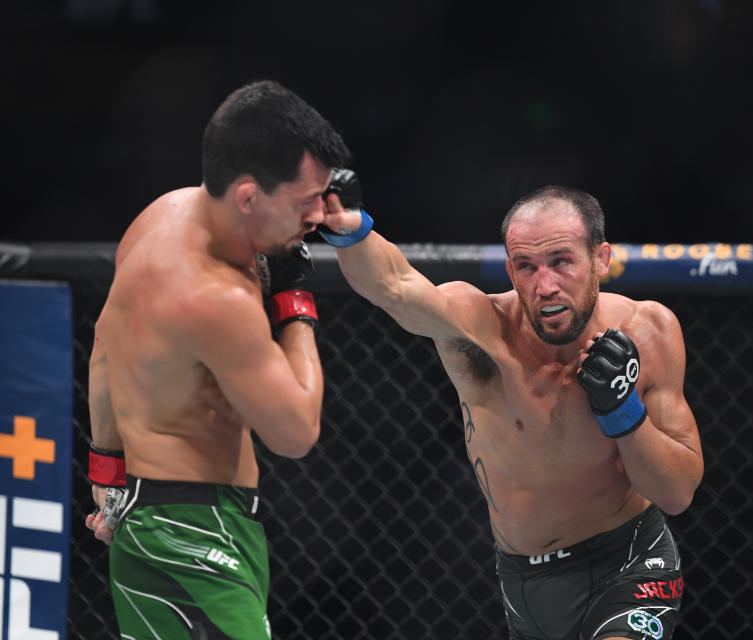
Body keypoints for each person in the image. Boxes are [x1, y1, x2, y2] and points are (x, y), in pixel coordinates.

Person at [319, 177, 703, 640]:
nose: (545, 286)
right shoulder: (483, 329)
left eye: (561, 262)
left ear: (601, 259)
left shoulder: (649, 329)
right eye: (526, 266)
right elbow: (397, 286)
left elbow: (677, 492)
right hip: (523, 580)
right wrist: (350, 230)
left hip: (630, 560)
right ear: (510, 270)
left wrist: (623, 410)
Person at [84, 80, 352, 639]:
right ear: (250, 196)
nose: (319, 218)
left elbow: (106, 346)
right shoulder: (215, 298)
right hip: (195, 533)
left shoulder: (160, 215)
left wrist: (106, 479)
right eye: (307, 202)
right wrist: (295, 301)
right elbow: (296, 432)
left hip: (155, 519)